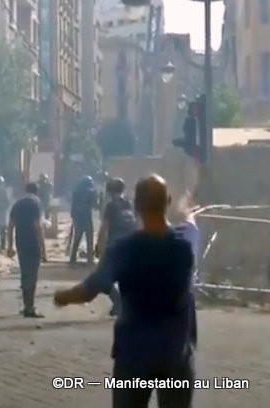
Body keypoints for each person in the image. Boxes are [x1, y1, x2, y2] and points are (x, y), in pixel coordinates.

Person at [54, 174, 197, 408]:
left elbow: (91, 288)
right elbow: (188, 228)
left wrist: (63, 296)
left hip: (134, 353)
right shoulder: (184, 248)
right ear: (168, 201)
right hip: (175, 353)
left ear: (136, 205)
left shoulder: (124, 249)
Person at [95, 178, 138, 317]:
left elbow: (104, 227)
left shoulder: (111, 206)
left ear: (109, 191)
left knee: (103, 277)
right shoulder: (129, 204)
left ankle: (119, 303)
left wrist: (99, 245)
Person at [6, 182, 47, 318]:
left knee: (25, 274)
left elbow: (10, 226)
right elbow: (38, 226)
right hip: (32, 242)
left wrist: (10, 246)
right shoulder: (36, 203)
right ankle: (30, 308)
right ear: (36, 192)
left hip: (20, 242)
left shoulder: (17, 204)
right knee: (32, 275)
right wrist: (43, 248)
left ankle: (26, 306)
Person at [70, 175, 97, 265]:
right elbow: (95, 205)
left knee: (77, 239)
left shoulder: (76, 191)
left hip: (78, 217)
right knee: (89, 238)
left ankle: (72, 259)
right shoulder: (91, 192)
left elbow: (73, 206)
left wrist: (73, 216)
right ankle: (90, 259)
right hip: (86, 217)